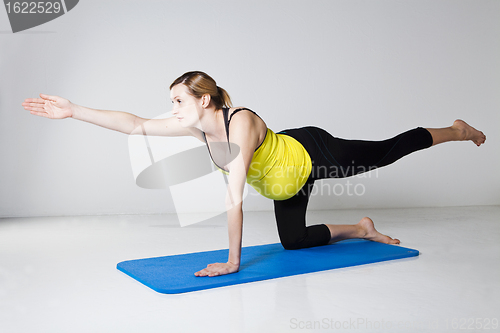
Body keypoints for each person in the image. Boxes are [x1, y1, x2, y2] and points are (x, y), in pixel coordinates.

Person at [22, 71, 486, 278]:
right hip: (286, 184)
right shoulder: (195, 129)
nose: (172, 109)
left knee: (386, 151)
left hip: (312, 153)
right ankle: (360, 228)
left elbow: (234, 194)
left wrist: (233, 260)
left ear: (205, 99)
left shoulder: (238, 120)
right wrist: (75, 111)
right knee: (294, 242)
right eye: (171, 102)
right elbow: (135, 123)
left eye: (179, 100)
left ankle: (456, 130)